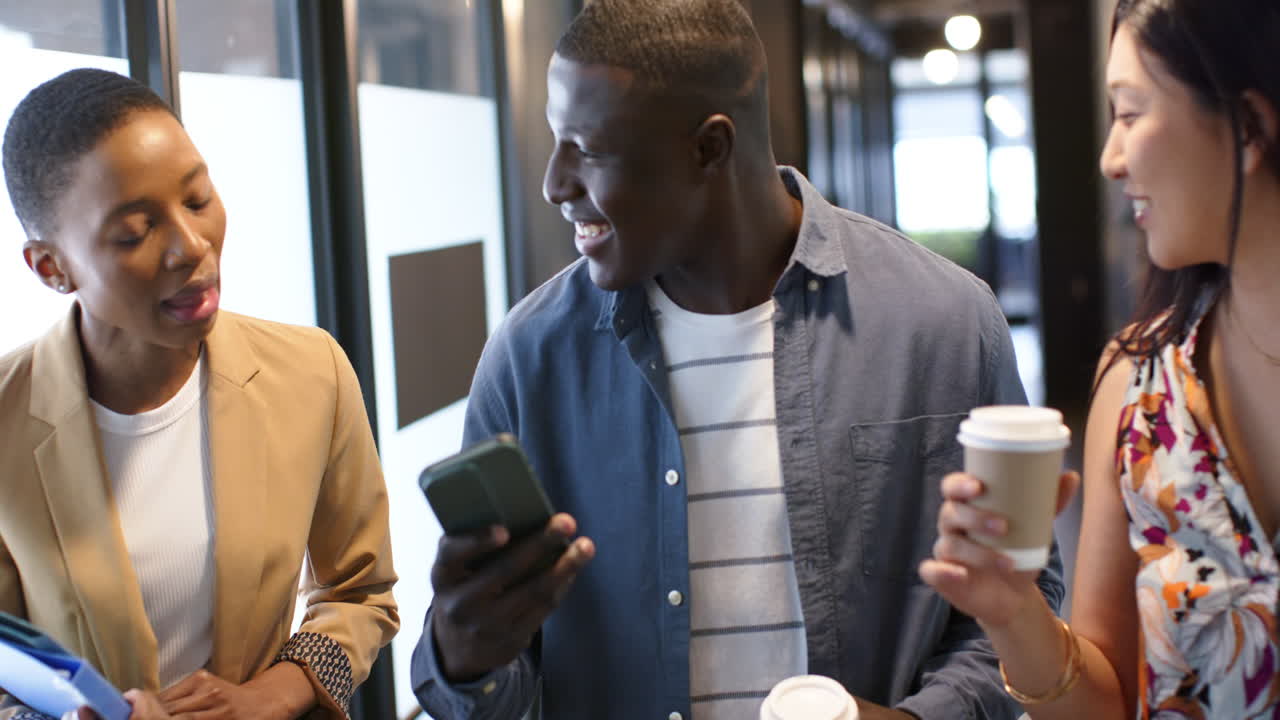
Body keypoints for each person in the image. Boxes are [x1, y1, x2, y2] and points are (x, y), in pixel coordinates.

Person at [410, 1, 1062, 718]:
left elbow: (1022, 606)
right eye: (555, 140)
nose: (555, 184)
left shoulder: (942, 323)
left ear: (708, 148)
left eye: (587, 149)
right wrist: (464, 657)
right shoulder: (530, 359)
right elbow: (480, 691)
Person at [0, 69, 399, 720]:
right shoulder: (6, 420)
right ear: (52, 267)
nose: (192, 247)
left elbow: (361, 593)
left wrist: (264, 700)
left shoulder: (311, 373)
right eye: (135, 232)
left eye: (197, 199)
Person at [921, 0, 1280, 717]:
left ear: (1247, 124)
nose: (1110, 159)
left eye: (1130, 112)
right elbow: (1104, 701)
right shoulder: (1140, 390)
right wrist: (1011, 610)